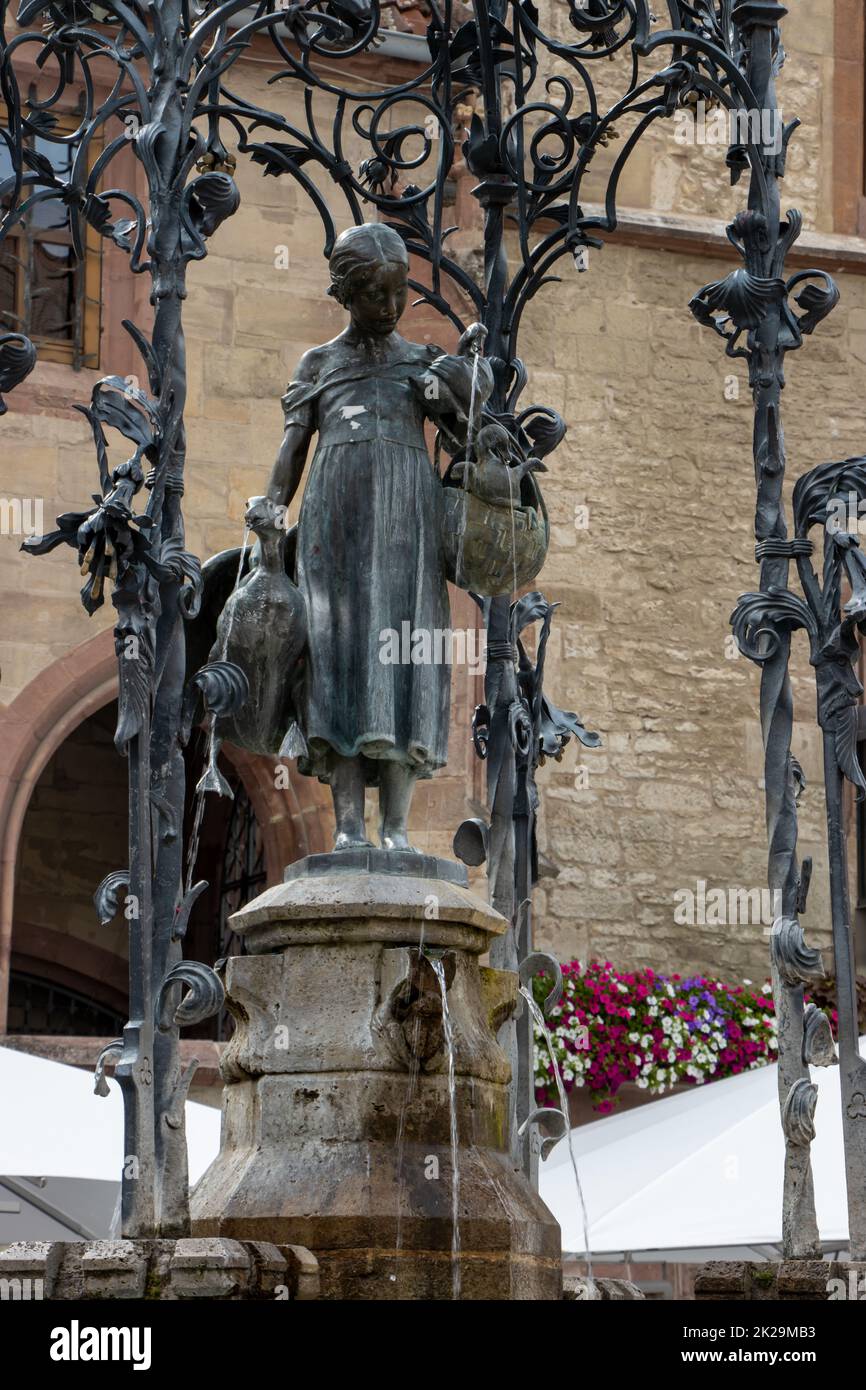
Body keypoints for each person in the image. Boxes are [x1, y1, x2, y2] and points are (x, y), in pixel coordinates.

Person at [268, 222, 491, 850]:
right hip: (333, 526)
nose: (391, 309)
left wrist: (459, 385)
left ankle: (395, 830)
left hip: (407, 532)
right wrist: (269, 508)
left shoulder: (421, 362)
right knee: (336, 658)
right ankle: (346, 831)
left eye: (400, 295)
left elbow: (473, 436)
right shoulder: (320, 364)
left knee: (405, 659)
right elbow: (292, 450)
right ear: (345, 293)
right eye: (376, 296)